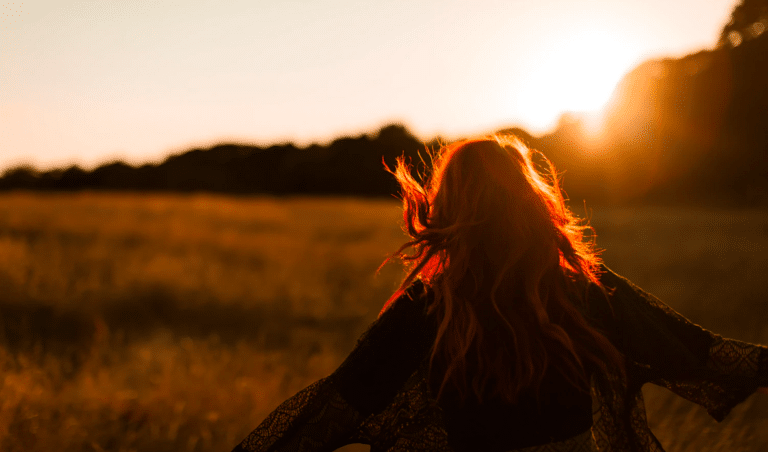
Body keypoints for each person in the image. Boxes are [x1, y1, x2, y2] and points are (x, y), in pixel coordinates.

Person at [231, 135, 768, 452]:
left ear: (450, 210)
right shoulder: (584, 290)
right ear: (531, 203)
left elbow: (329, 410)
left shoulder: (428, 310)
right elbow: (712, 356)